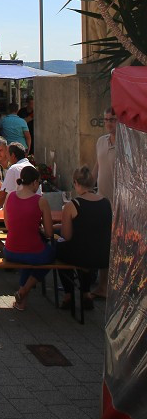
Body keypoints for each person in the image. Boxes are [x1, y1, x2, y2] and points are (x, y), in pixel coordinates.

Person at [55, 164, 112, 311]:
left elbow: (67, 235)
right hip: (102, 256)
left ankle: (68, 295)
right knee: (84, 251)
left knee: (59, 251)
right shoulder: (106, 203)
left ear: (75, 183)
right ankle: (86, 293)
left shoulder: (73, 205)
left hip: (81, 255)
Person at [3, 164, 55, 311]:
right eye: (38, 182)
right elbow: (50, 233)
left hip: (10, 250)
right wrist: (40, 229)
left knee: (29, 259)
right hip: (31, 251)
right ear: (34, 182)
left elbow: (8, 225)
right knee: (50, 255)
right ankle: (24, 290)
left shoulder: (10, 196)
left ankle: (22, 301)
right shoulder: (41, 201)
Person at [92, 108, 117, 297]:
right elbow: (97, 167)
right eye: (107, 119)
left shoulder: (126, 144)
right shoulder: (101, 141)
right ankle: (102, 286)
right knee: (102, 245)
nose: (109, 123)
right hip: (101, 201)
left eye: (113, 119)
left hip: (120, 203)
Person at [0, 143, 42, 208]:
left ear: (13, 155)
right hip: (35, 208)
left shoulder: (13, 168)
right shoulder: (33, 168)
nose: (6, 157)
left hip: (20, 209)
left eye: (7, 154)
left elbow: (2, 195)